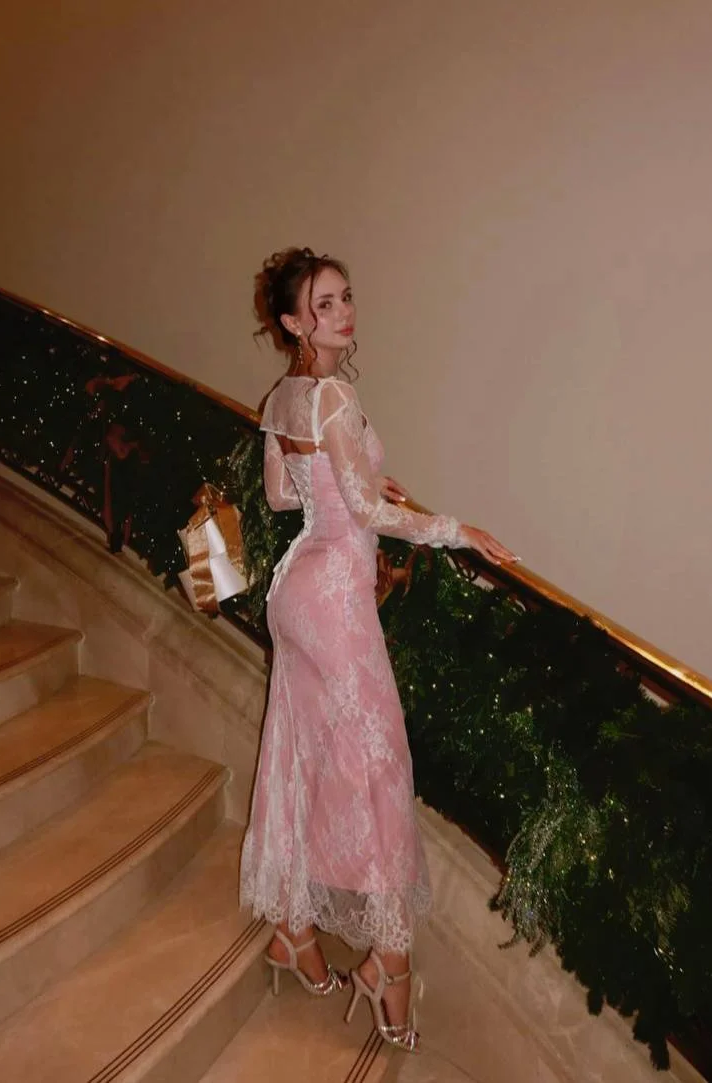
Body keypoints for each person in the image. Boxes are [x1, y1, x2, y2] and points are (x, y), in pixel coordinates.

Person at [239, 247, 516, 1052]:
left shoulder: (283, 396)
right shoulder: (333, 393)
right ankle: (388, 965)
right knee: (381, 769)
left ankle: (294, 932)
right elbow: (363, 512)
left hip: (297, 592)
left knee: (303, 758)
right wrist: (456, 529)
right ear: (293, 321)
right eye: (323, 304)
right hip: (334, 597)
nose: (342, 313)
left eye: (345, 297)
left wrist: (353, 477)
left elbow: (282, 495)